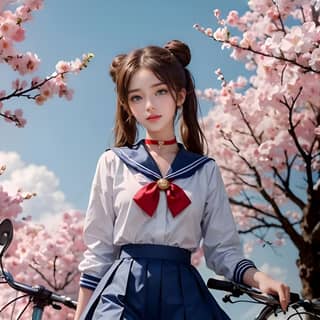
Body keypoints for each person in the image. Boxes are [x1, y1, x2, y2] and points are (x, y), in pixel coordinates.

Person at [74, 40, 290, 320]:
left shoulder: (204, 171)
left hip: (183, 294)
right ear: (127, 106)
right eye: (136, 97)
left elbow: (222, 249)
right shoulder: (113, 163)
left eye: (160, 92)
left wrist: (260, 278)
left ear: (180, 95)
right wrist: (81, 315)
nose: (149, 106)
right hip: (123, 292)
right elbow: (99, 251)